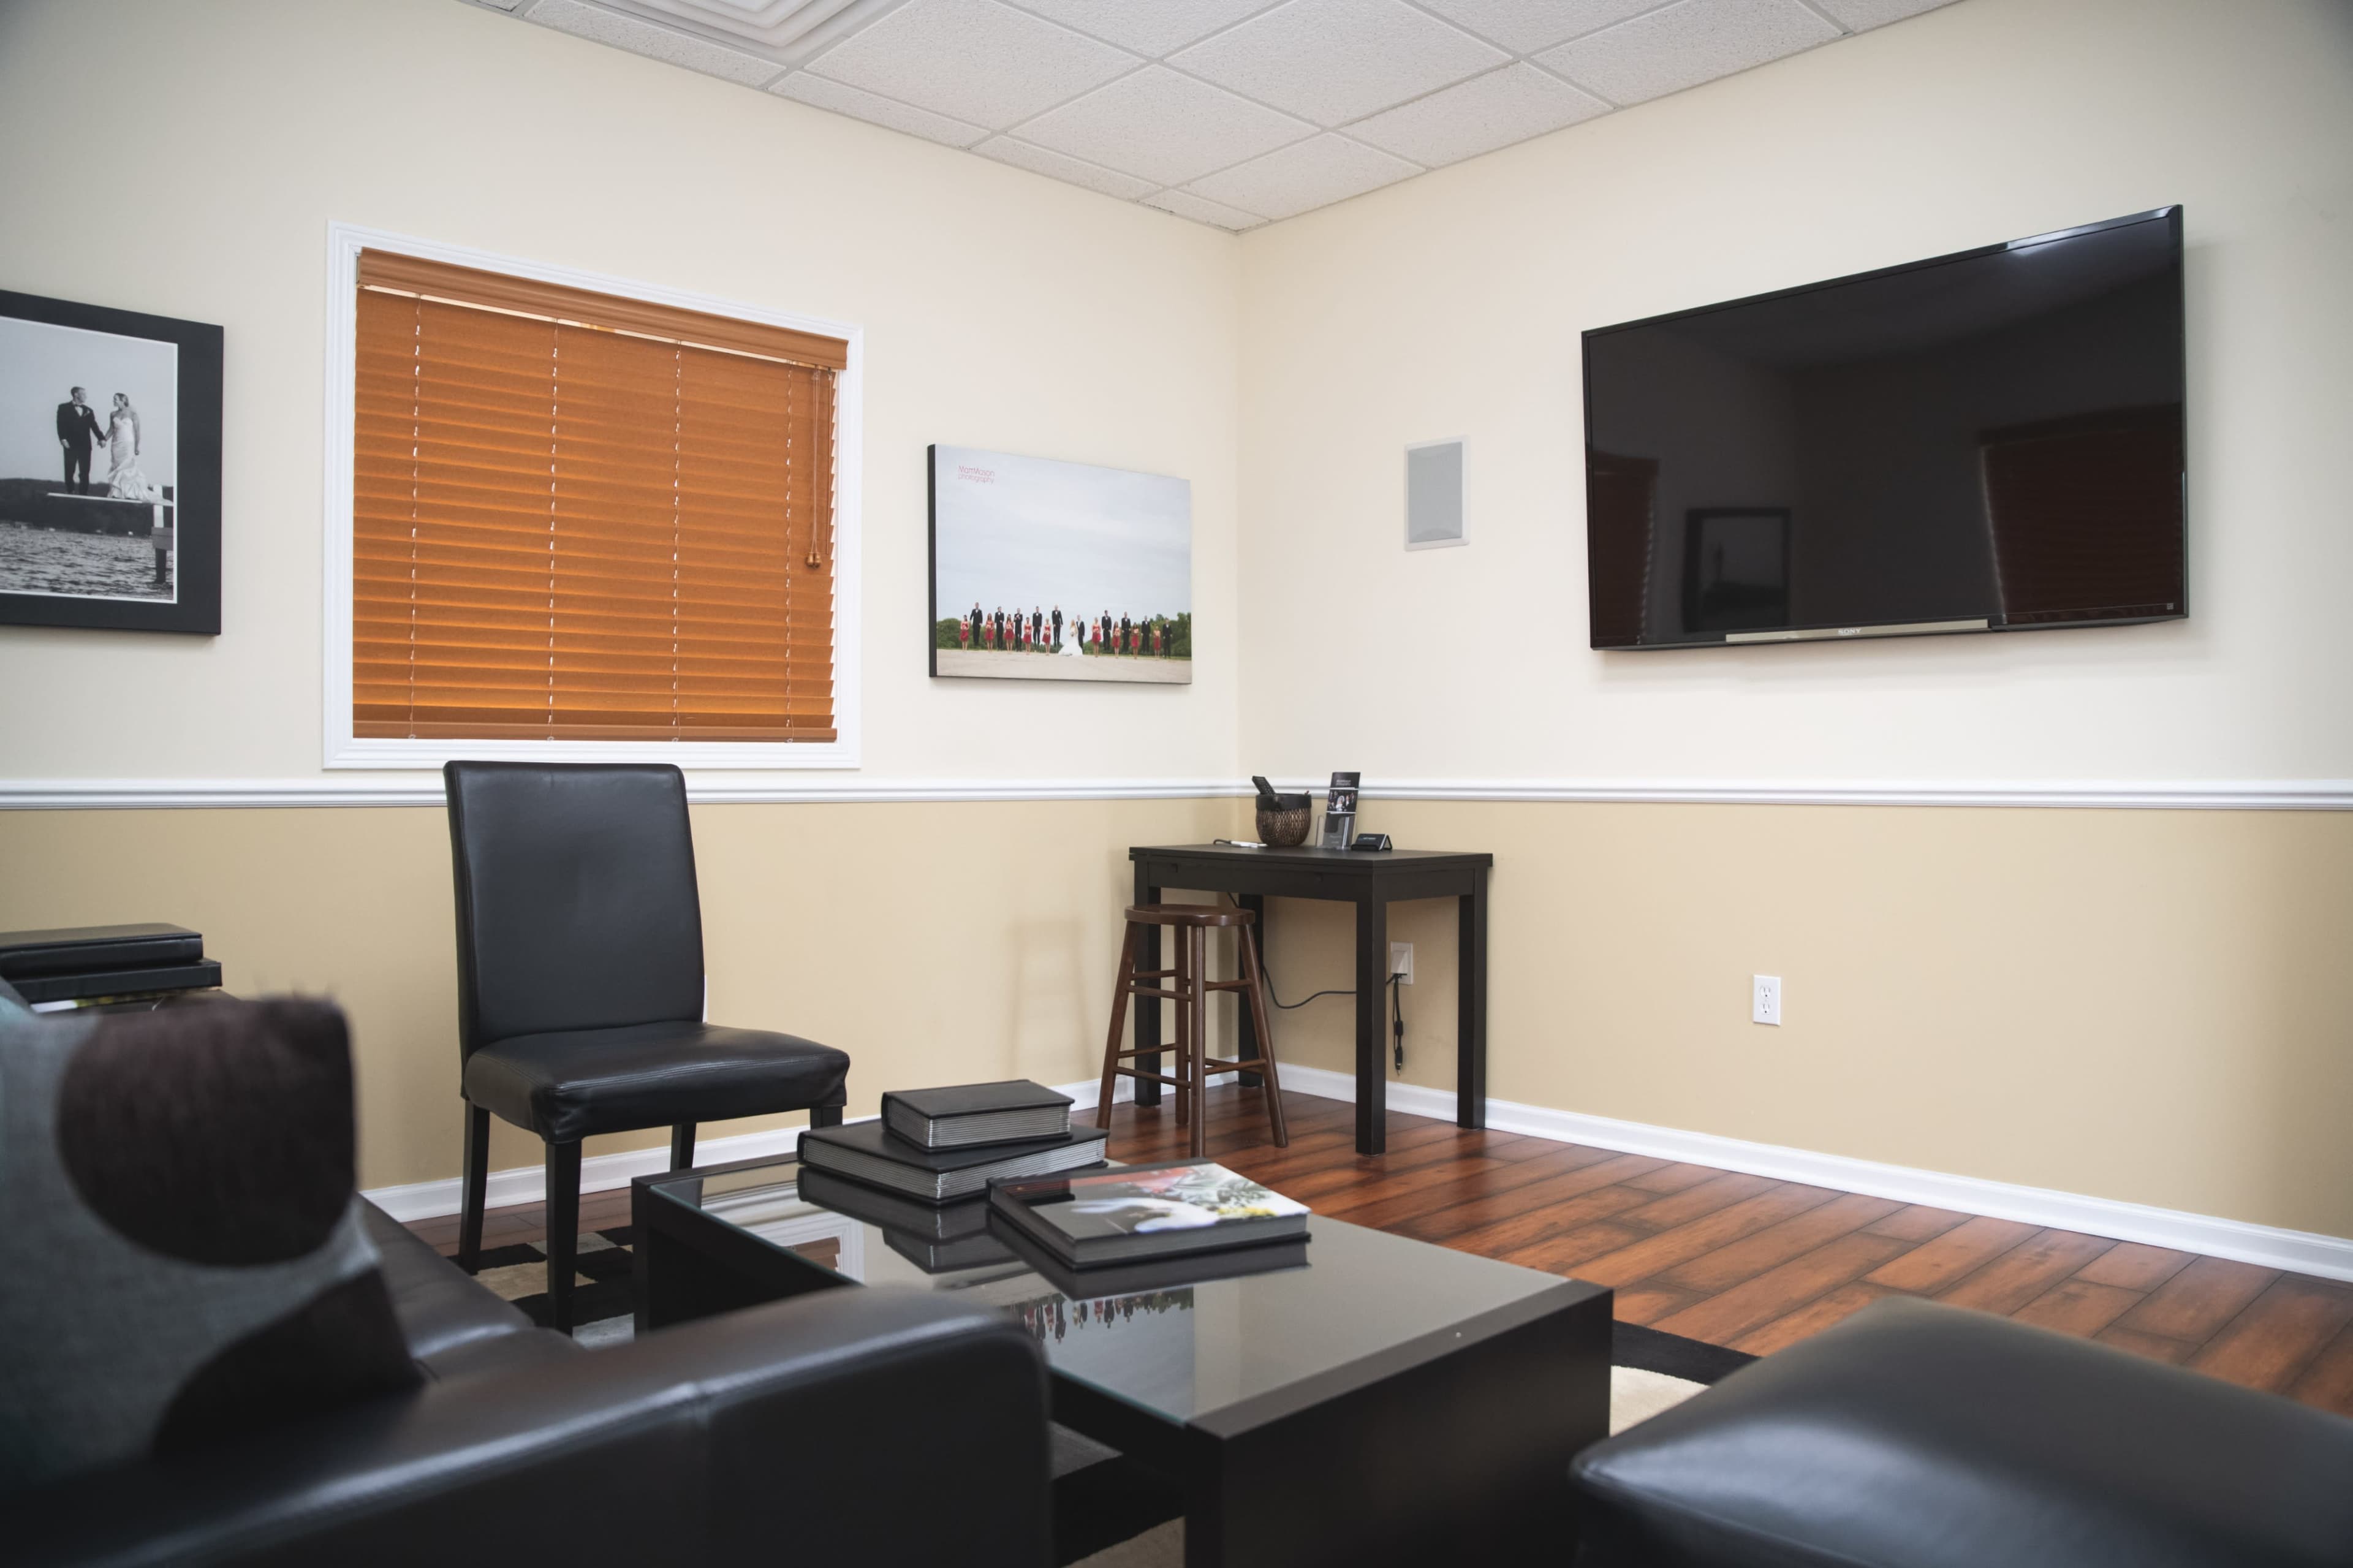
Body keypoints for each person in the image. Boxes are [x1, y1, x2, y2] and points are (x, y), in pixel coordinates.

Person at [105, 394, 157, 501]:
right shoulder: (113, 414)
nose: (113, 401)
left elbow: (137, 432)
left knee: (128, 467)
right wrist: (103, 440)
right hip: (116, 444)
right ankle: (117, 493)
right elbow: (111, 430)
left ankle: (130, 493)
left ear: (122, 400)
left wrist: (137, 446)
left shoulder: (133, 414)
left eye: (115, 399)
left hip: (128, 444)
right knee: (117, 466)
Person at [56, 387, 105, 496]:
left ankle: (84, 493)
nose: (86, 396)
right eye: (83, 394)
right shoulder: (63, 408)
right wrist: (63, 439)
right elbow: (60, 424)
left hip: (85, 445)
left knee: (85, 471)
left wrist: (101, 438)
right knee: (70, 469)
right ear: (76, 395)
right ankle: (70, 490)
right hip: (70, 444)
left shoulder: (89, 410)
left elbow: (94, 426)